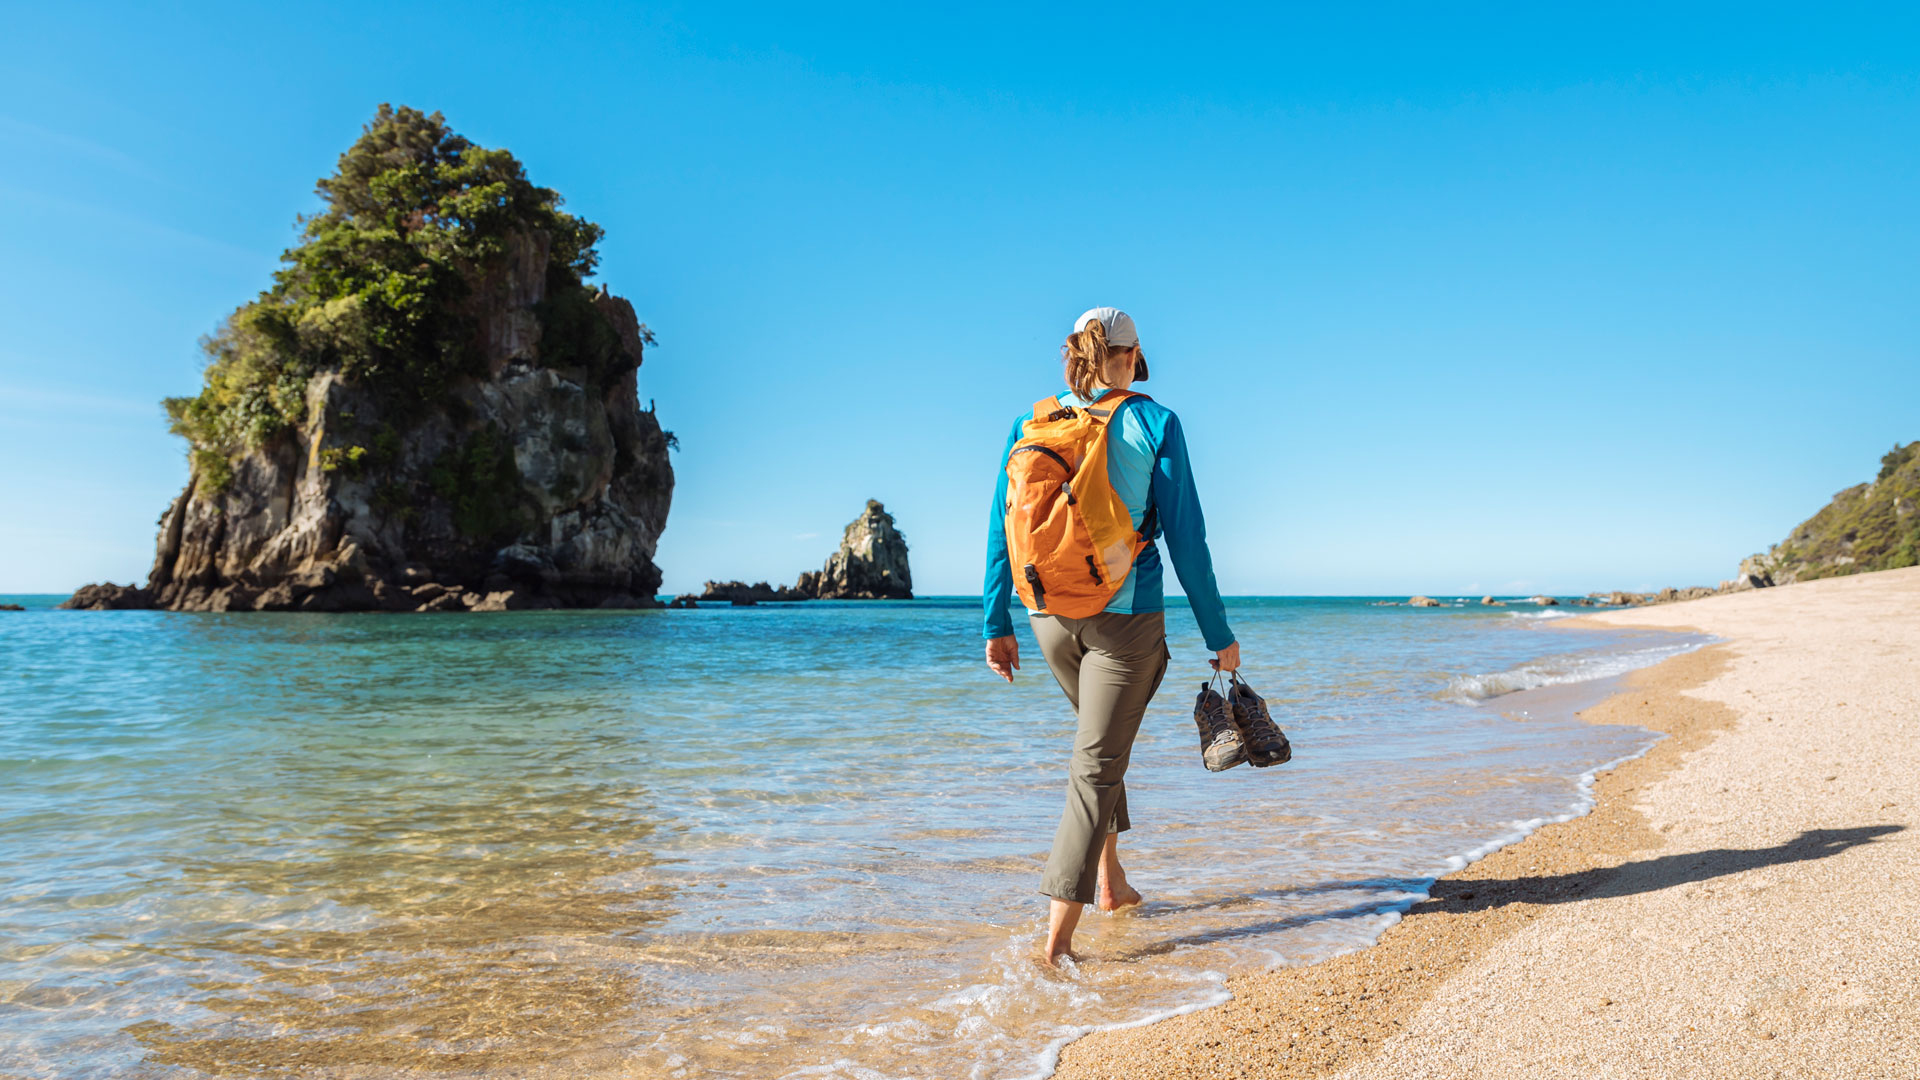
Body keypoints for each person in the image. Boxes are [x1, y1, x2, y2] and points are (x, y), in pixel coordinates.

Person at [983, 306, 1238, 966]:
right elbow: (1187, 539)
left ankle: (1111, 881)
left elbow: (1000, 525)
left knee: (1102, 745)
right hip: (1126, 621)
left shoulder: (1032, 422)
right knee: (1096, 767)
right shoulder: (1156, 422)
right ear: (1133, 354)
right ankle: (1056, 947)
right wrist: (1220, 634)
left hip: (1047, 619)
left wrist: (996, 621)